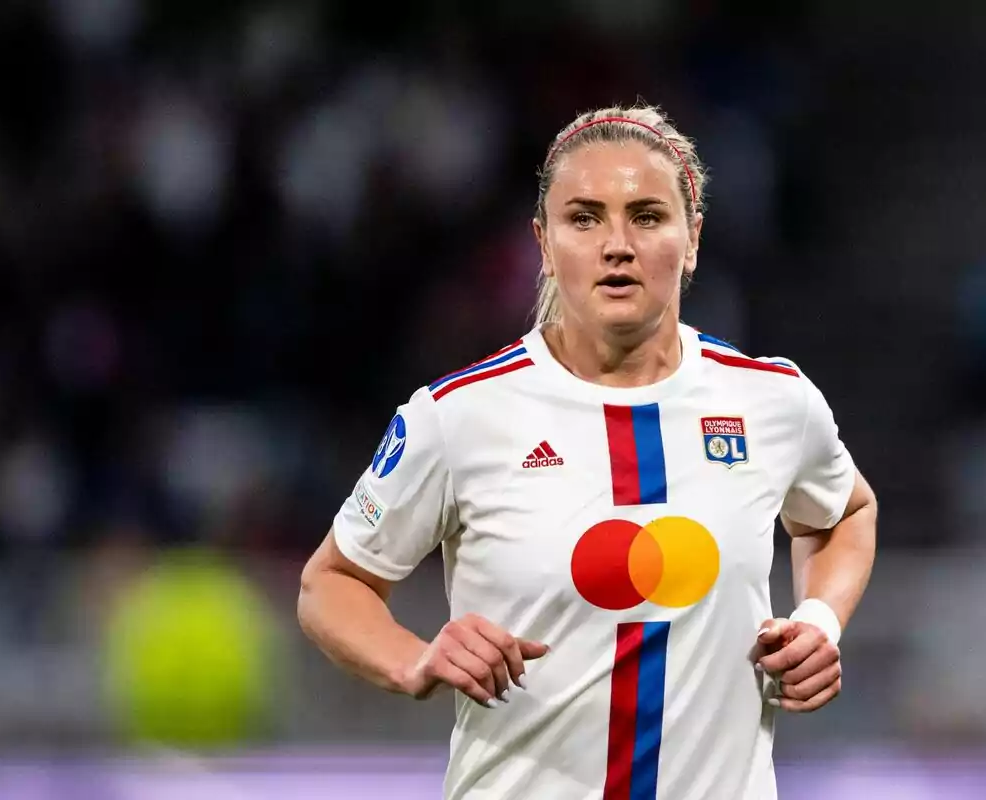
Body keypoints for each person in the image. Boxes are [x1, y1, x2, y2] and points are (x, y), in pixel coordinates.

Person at [297, 103, 878, 800]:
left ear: (693, 238)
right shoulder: (459, 416)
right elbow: (329, 585)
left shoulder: (773, 401)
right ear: (544, 244)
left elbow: (845, 510)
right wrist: (415, 659)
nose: (617, 244)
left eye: (648, 216)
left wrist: (819, 622)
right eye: (584, 218)